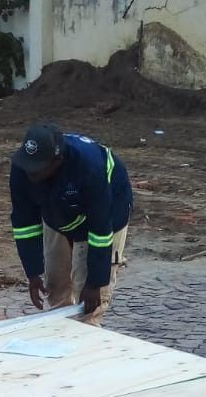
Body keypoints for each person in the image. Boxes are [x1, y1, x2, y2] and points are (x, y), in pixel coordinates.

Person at [10, 121, 133, 324]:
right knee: (55, 283)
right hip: (57, 209)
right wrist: (32, 273)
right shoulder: (23, 167)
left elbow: (100, 229)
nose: (30, 174)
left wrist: (95, 282)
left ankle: (88, 335)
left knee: (90, 301)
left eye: (37, 169)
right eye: (28, 167)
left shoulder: (89, 167)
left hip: (107, 207)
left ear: (57, 161)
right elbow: (24, 223)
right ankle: (61, 331)